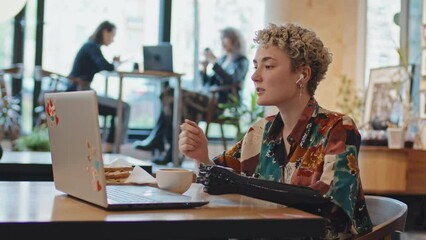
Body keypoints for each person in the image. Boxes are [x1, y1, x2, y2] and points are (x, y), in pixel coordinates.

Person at [179, 23, 373, 239]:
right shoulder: (259, 132)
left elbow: (331, 208)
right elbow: (215, 179)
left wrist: (241, 185)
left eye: (268, 66)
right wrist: (200, 156)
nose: (255, 77)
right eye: (255, 66)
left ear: (302, 75)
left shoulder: (337, 128)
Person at [134, 27, 249, 165]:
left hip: (219, 104)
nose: (222, 42)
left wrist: (214, 63)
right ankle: (170, 150)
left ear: (234, 40)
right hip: (207, 98)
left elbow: (231, 80)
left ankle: (164, 144)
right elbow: (208, 83)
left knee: (172, 94)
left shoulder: (241, 61)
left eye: (225, 38)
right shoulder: (224, 58)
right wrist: (204, 69)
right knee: (171, 97)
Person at [67, 20, 131, 153]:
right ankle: (115, 147)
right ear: (104, 32)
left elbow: (102, 65)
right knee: (124, 107)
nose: (112, 40)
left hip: (80, 92)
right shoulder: (92, 46)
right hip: (81, 94)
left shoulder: (90, 46)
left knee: (118, 108)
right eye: (112, 35)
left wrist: (113, 63)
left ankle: (109, 145)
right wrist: (115, 64)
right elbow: (104, 66)